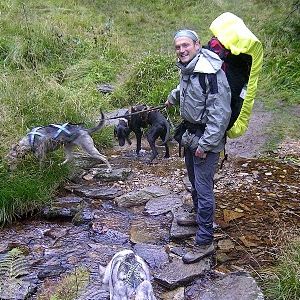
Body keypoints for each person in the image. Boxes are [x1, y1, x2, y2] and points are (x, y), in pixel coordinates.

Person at [165, 29, 231, 264]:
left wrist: (207, 144)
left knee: (203, 188)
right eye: (178, 47)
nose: (181, 50)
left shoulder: (211, 73)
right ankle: (197, 216)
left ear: (197, 45)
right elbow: (188, 91)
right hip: (191, 135)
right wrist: (173, 96)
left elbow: (220, 114)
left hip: (205, 139)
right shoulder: (190, 68)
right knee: (194, 181)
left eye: (186, 45)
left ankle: (204, 241)